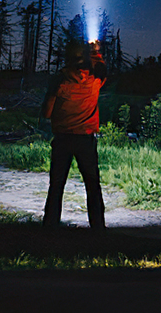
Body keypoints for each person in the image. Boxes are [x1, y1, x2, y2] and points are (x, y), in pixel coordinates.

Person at [41, 40, 109, 230]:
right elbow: (102, 69)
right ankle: (98, 227)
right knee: (92, 184)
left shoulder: (59, 80)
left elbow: (46, 111)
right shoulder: (94, 80)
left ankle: (50, 225)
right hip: (85, 139)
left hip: (62, 138)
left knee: (56, 185)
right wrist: (96, 52)